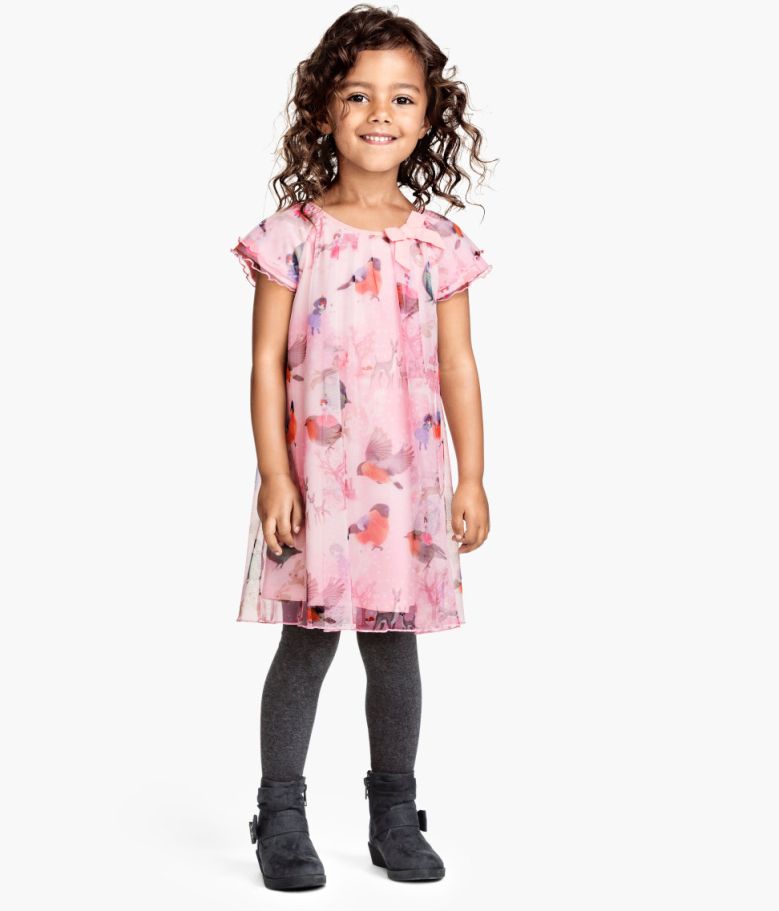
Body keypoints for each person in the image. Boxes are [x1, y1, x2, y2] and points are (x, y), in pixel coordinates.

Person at [230, 4, 494, 891]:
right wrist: (274, 473)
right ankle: (280, 814)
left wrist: (471, 477)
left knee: (395, 647)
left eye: (401, 97)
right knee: (305, 645)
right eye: (357, 94)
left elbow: (457, 364)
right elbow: (266, 362)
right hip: (316, 481)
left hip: (406, 486)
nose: (379, 112)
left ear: (427, 117)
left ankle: (393, 813)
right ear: (323, 110)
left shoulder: (438, 243)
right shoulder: (290, 238)